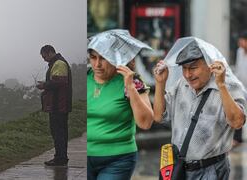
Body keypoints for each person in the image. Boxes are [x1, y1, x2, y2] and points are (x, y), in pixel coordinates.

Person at [153, 37, 247, 179]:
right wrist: (160, 83)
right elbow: (158, 116)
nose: (188, 75)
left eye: (193, 68)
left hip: (211, 171)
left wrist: (221, 85)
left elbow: (237, 122)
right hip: (179, 169)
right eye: (184, 68)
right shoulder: (181, 84)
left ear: (209, 65)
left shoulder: (229, 86)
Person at [87, 29, 154, 180]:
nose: (97, 64)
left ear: (115, 58)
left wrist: (130, 88)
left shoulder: (132, 81)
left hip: (118, 159)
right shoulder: (83, 78)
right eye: (93, 57)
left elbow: (145, 123)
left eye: (103, 58)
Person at [36, 45, 72, 166]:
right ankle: (60, 157)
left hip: (58, 105)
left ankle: (60, 158)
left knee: (58, 132)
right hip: (58, 104)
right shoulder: (56, 63)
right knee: (59, 132)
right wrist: (46, 84)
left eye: (44, 56)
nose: (44, 59)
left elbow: (59, 82)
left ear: (50, 52)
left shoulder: (59, 63)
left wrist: (44, 85)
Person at [233, 31, 247, 146]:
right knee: (239, 109)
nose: (240, 43)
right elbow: (238, 69)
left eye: (242, 40)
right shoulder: (239, 51)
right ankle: (238, 138)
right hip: (241, 87)